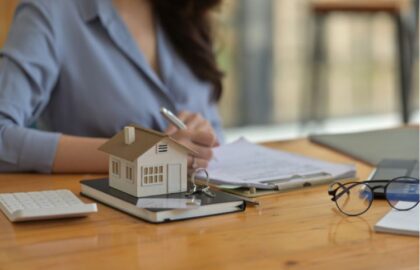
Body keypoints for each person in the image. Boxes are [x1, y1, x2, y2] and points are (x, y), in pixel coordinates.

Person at [0, 0, 224, 173]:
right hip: (104, 222)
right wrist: (140, 154)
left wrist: (203, 140)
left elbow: (215, 134)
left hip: (201, 218)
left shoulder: (186, 11)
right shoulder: (51, 12)